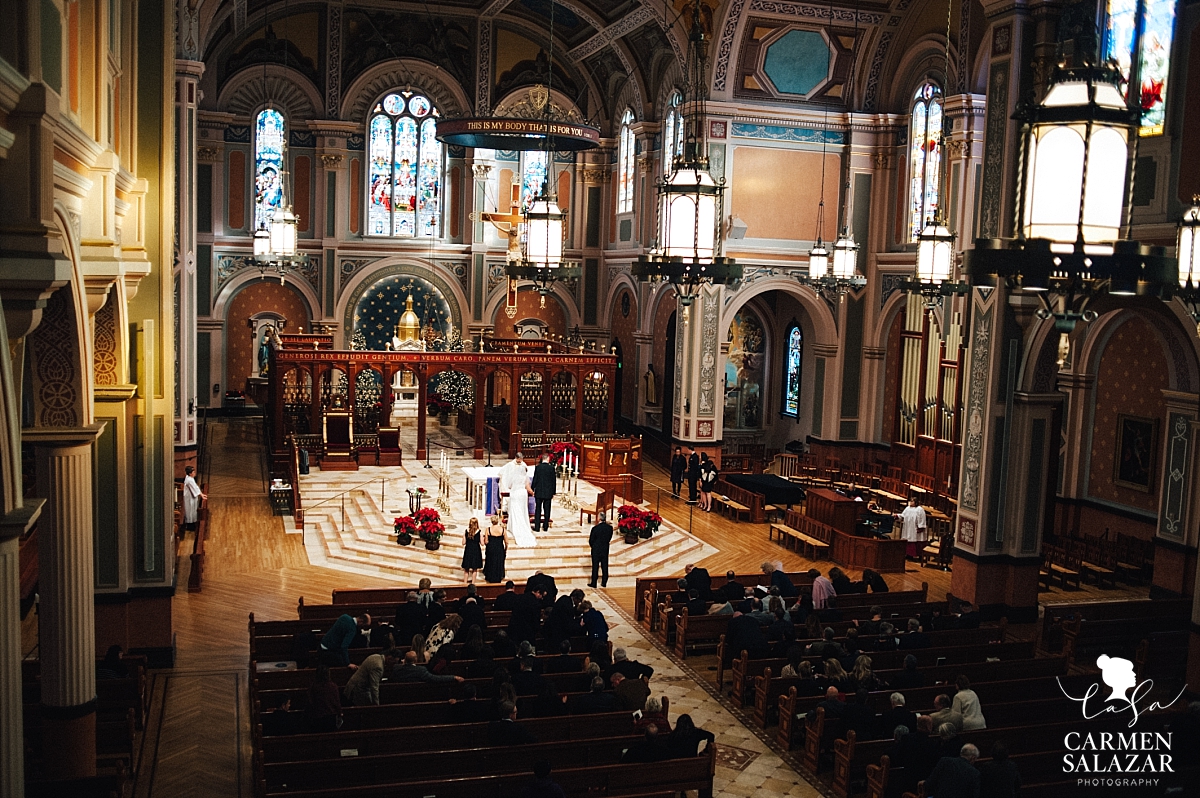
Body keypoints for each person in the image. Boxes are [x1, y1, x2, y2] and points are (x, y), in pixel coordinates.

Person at [502, 453, 537, 547]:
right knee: (522, 511)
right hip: (523, 494)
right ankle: (524, 525)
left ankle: (514, 527)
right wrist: (532, 492)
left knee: (515, 511)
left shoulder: (516, 475)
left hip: (516, 493)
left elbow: (509, 484)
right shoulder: (524, 475)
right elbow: (527, 485)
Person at [391, 649, 465, 684]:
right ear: (415, 660)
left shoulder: (396, 668)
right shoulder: (421, 670)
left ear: (405, 659)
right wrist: (453, 677)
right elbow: (436, 678)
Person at [306, 665, 342, 732]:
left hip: (317, 717)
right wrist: (340, 713)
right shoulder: (333, 686)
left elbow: (310, 701)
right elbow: (336, 702)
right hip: (330, 717)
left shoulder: (313, 686)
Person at [531, 452, 557, 532]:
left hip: (539, 492)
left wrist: (532, 489)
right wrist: (553, 492)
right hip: (548, 493)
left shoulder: (538, 468)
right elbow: (553, 481)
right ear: (548, 459)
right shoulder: (551, 468)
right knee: (547, 509)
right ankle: (545, 526)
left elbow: (535, 479)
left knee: (538, 509)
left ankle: (537, 527)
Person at [588, 513, 613, 588]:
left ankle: (594, 583)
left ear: (599, 518)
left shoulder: (595, 528)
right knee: (604, 566)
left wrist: (594, 546)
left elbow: (591, 540)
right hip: (605, 549)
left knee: (595, 566)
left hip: (596, 549)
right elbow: (609, 538)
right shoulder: (609, 528)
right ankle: (604, 582)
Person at [484, 513, 508, 583]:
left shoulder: (488, 529)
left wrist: (488, 547)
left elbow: (486, 541)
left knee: (491, 562)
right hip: (499, 548)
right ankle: (498, 576)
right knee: (499, 562)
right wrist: (505, 549)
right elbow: (506, 542)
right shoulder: (502, 530)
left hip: (491, 548)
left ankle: (490, 576)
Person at [181, 465, 207, 533]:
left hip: (190, 496)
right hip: (189, 498)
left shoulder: (189, 478)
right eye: (193, 471)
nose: (195, 472)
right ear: (190, 473)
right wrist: (201, 495)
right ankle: (190, 526)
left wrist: (201, 494)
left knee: (192, 511)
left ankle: (191, 524)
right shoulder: (189, 480)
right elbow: (194, 488)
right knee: (190, 511)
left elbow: (195, 487)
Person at [461, 516, 483, 583]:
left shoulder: (466, 531)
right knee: (474, 569)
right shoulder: (479, 532)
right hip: (476, 551)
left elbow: (463, 543)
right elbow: (482, 543)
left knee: (466, 569)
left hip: (468, 550)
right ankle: (473, 584)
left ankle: (464, 584)